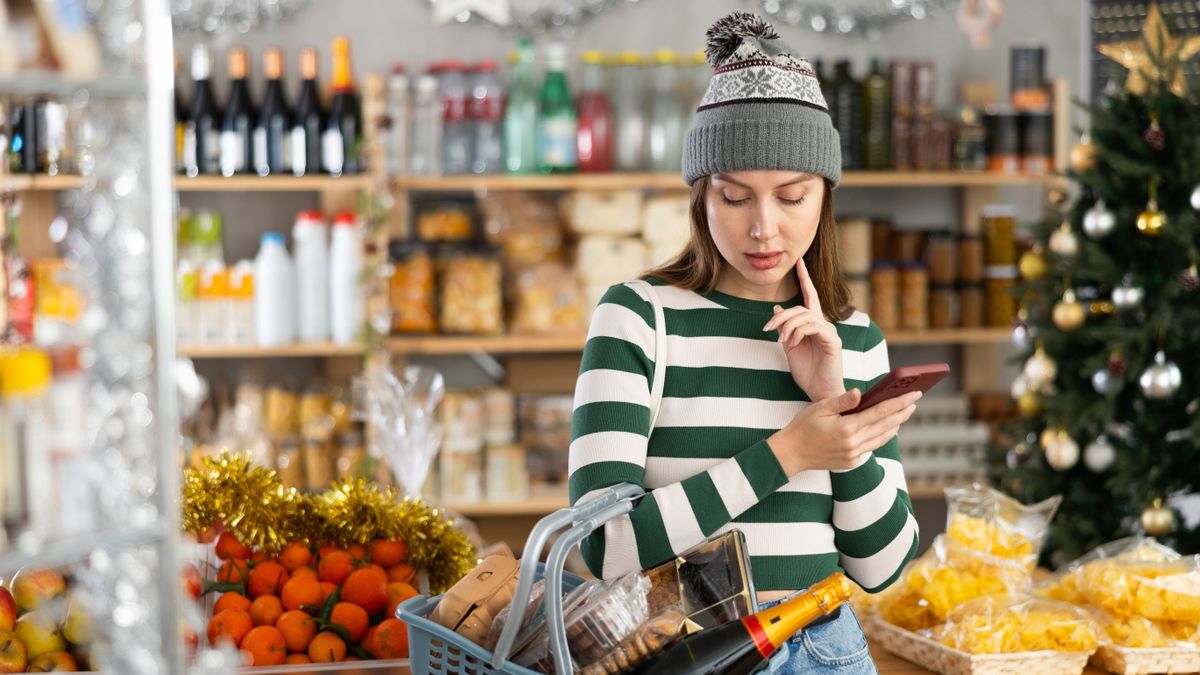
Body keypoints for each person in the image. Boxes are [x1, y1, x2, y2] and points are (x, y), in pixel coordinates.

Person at [568, 12, 921, 674]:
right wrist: (791, 451)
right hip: (685, 652)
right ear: (702, 195)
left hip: (826, 647)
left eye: (792, 196)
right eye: (735, 196)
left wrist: (838, 420)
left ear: (825, 197)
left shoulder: (857, 338)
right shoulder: (639, 318)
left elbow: (883, 564)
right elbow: (602, 546)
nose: (765, 228)